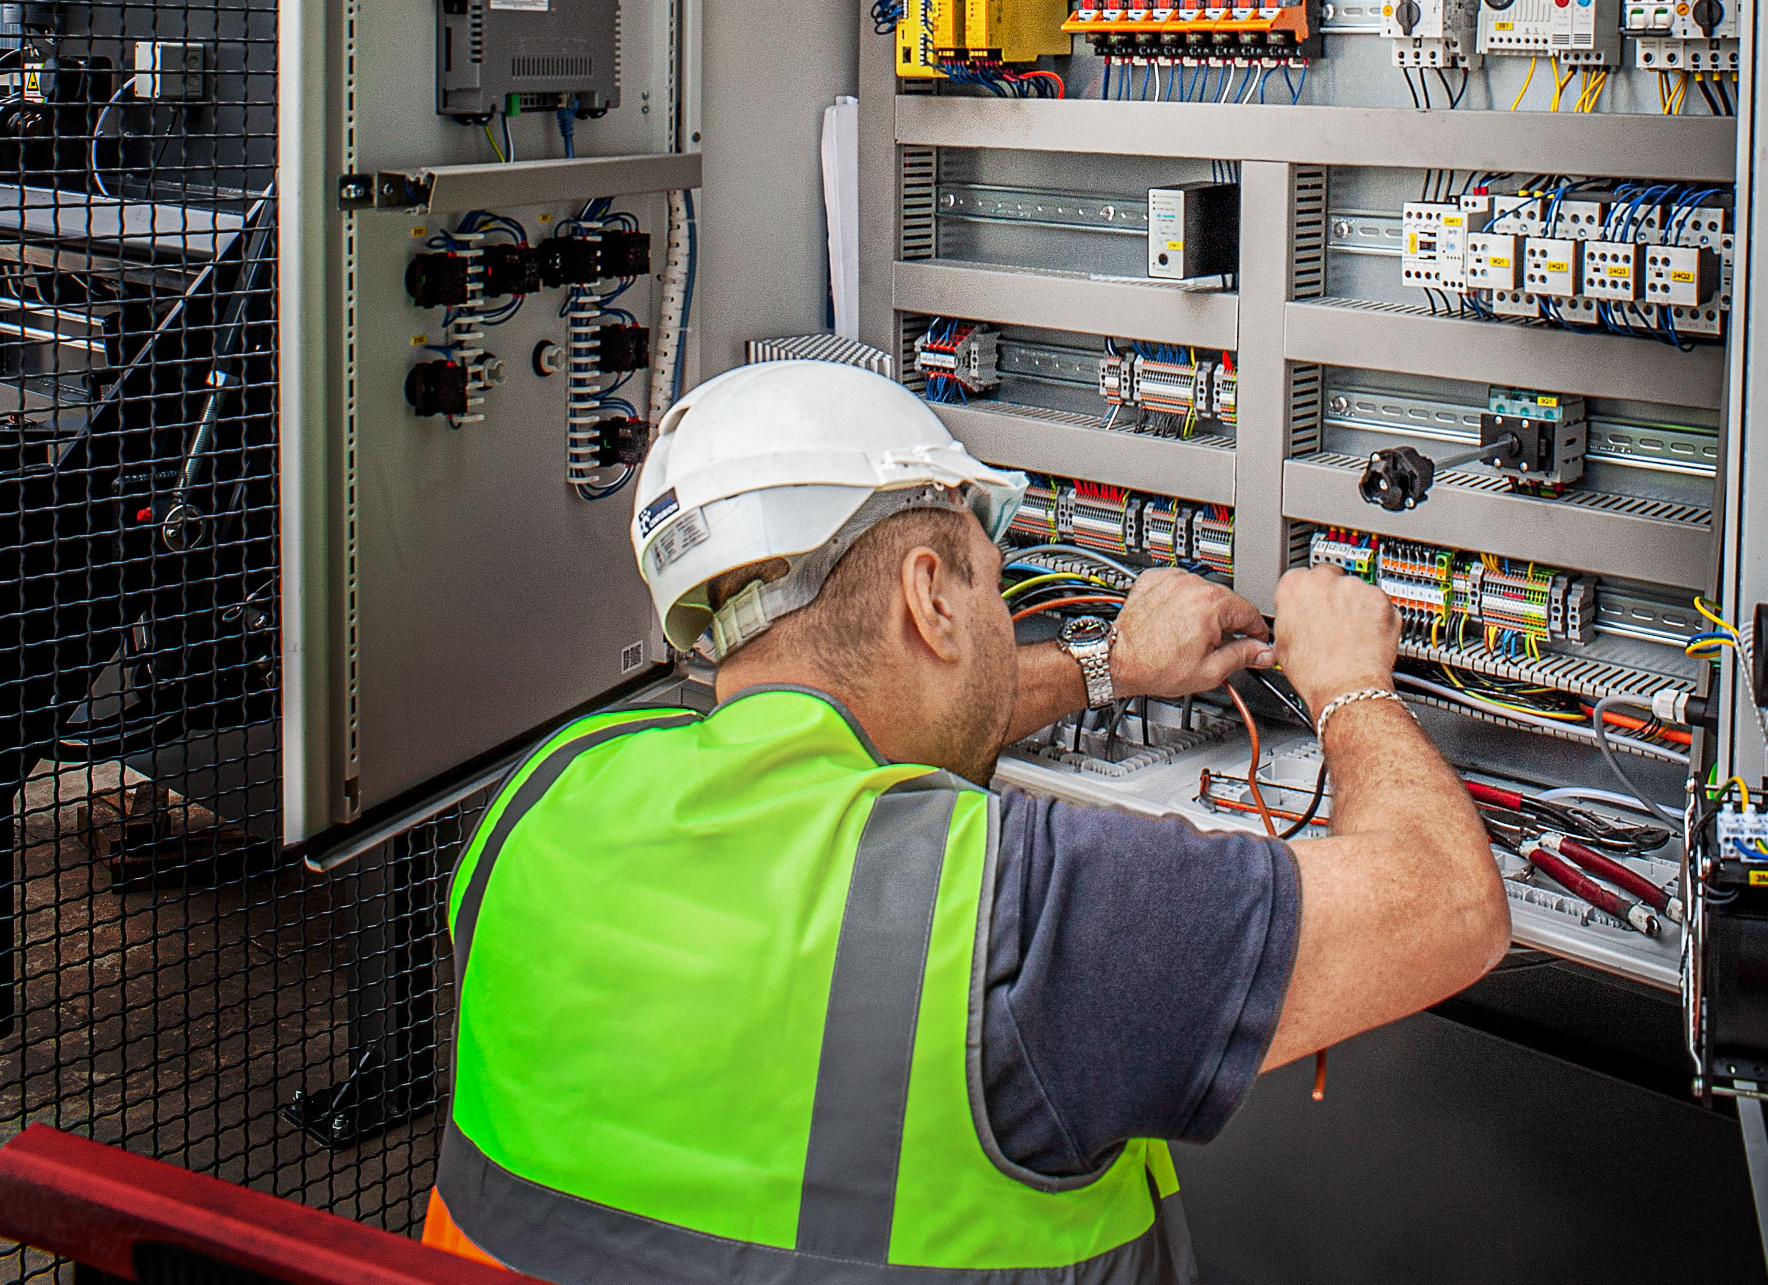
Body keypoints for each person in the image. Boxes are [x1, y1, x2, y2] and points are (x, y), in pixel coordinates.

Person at [425, 361, 1508, 1283]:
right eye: (996, 584)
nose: (1001, 609)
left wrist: (1107, 668)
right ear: (928, 595)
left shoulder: (542, 798)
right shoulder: (1010, 913)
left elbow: (820, 712)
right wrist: (1350, 685)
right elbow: (1451, 908)